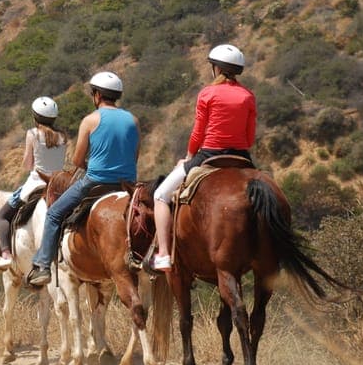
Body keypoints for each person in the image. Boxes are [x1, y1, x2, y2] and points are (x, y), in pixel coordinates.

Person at [27, 72, 140, 287]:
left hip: (95, 182)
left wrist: (94, 164)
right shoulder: (133, 120)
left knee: (53, 214)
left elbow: (78, 159)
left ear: (97, 95)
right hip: (127, 185)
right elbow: (134, 156)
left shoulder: (90, 120)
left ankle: (42, 266)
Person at [151, 44, 257, 271]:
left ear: (216, 69)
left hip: (209, 154)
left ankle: (162, 253)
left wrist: (189, 156)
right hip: (241, 156)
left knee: (160, 196)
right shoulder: (248, 96)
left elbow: (198, 132)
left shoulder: (207, 93)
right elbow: (249, 139)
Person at [0, 97, 68, 271]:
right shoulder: (63, 136)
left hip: (36, 183)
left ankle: (5, 254)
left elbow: (28, 164)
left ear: (35, 117)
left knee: (2, 216)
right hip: (59, 185)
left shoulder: (32, 134)